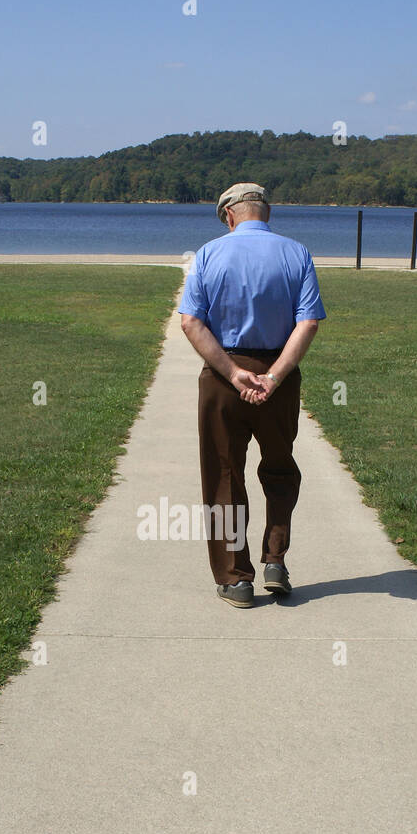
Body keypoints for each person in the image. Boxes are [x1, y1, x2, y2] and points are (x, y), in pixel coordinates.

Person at [178, 182, 326, 607]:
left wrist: (233, 372)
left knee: (223, 475)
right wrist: (275, 377)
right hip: (279, 378)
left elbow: (191, 322)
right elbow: (309, 323)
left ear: (229, 216)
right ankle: (275, 560)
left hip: (225, 380)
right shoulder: (296, 253)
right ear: (267, 213)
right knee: (280, 469)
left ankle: (236, 578)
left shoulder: (208, 254)